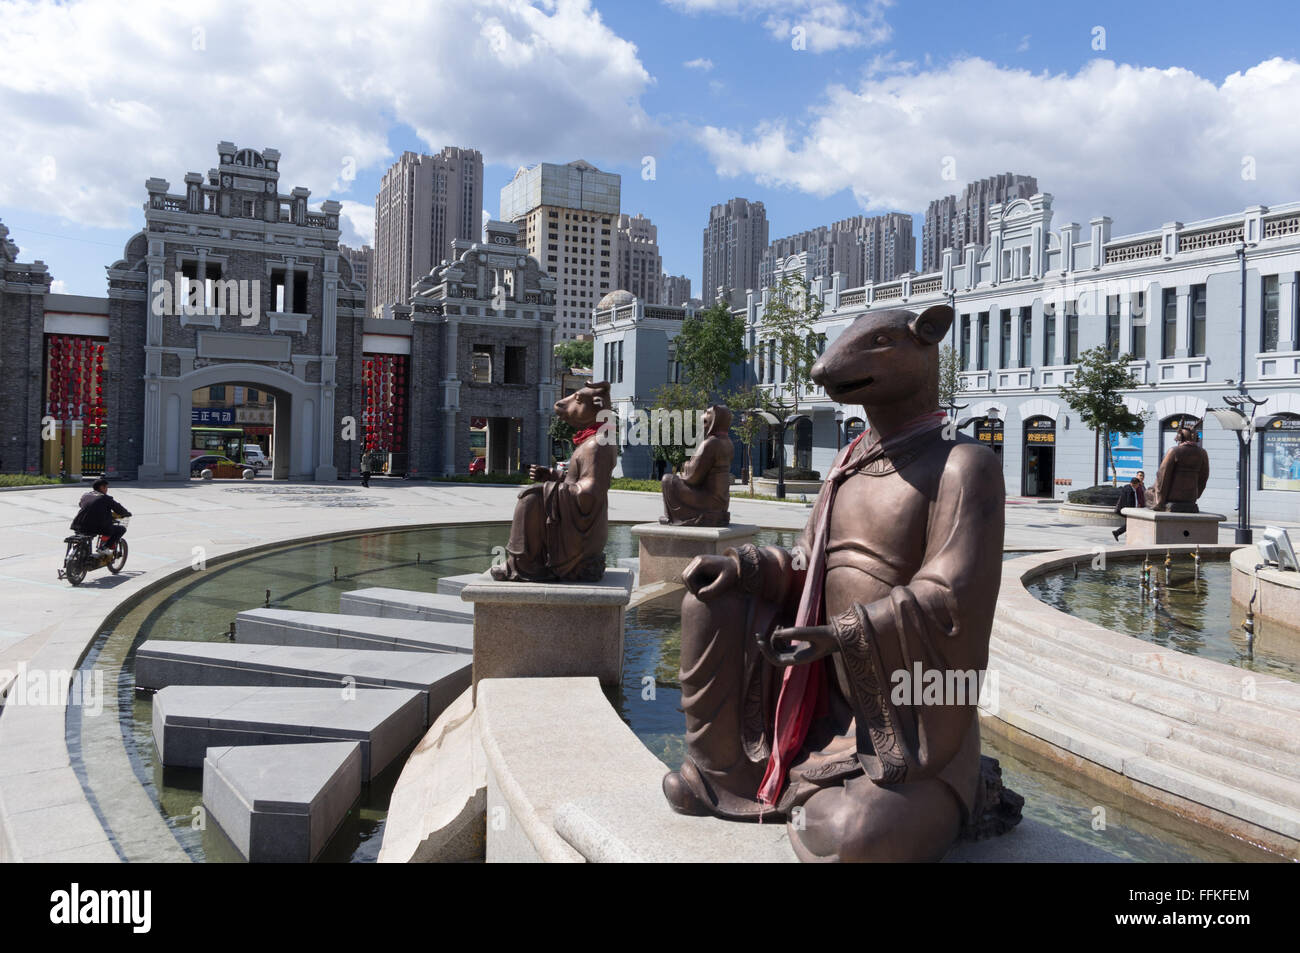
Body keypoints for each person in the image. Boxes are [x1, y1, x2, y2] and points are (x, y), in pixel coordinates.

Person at [1152, 427, 1210, 512]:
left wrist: (1159, 500)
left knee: (1148, 493)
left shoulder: (1174, 451)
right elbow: (1204, 477)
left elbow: (1162, 476)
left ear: (1180, 437)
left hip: (1172, 496)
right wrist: (1197, 494)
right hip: (1191, 496)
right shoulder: (1203, 453)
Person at [71, 479, 131, 552]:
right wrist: (126, 513)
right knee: (121, 529)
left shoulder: (85, 495)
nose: (107, 490)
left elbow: (81, 505)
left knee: (86, 536)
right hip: (97, 527)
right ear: (102, 487)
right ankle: (104, 548)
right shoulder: (106, 498)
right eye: (106, 487)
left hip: (78, 524)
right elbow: (119, 509)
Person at [1111, 476, 1144, 541]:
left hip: (1128, 510)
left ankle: (1117, 533)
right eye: (1138, 484)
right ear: (1135, 484)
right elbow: (1128, 501)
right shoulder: (1129, 490)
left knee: (1130, 524)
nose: (1138, 486)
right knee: (1130, 523)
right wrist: (1131, 510)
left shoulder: (1130, 488)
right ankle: (1118, 533)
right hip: (1128, 510)